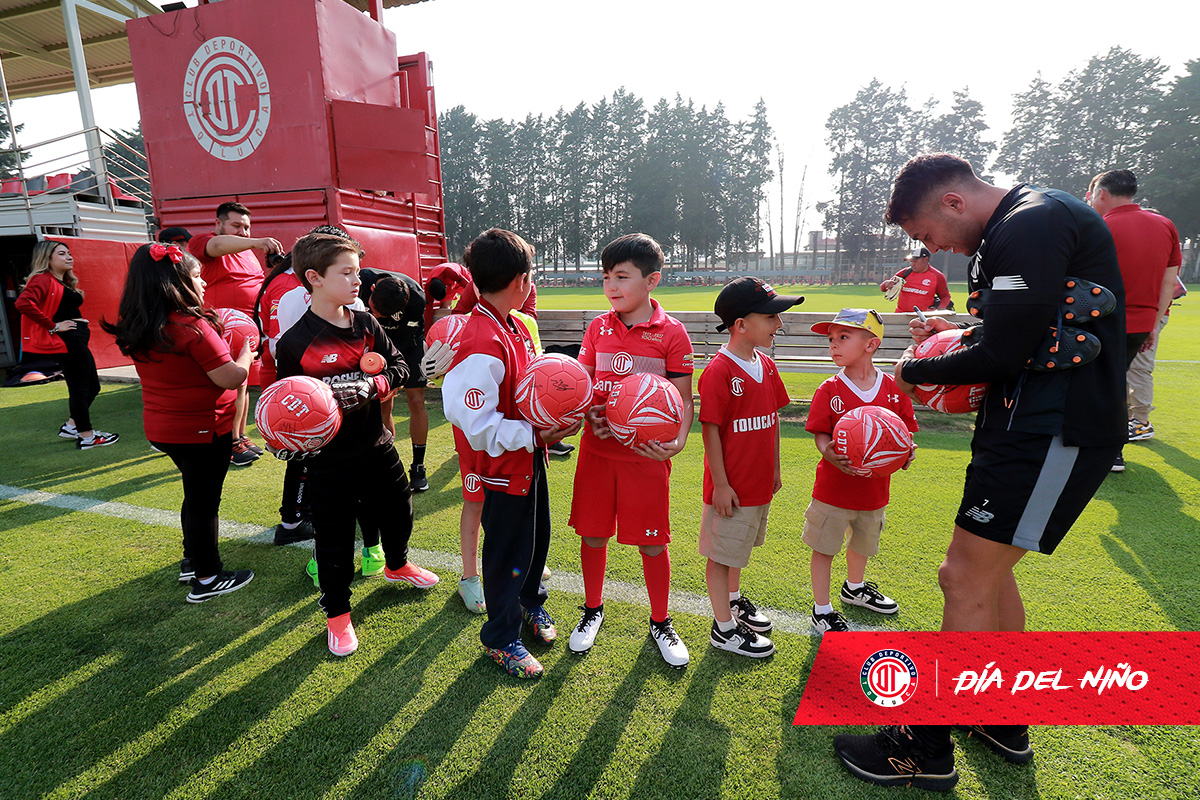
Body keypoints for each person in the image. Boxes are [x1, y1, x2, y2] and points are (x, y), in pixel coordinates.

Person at [832, 154, 1125, 791]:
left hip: (1049, 428)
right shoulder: (1023, 225)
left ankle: (924, 746)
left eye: (927, 233)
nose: (930, 248)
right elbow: (1020, 329)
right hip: (1026, 424)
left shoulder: (1032, 220)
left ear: (954, 202)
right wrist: (965, 329)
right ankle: (999, 713)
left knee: (962, 576)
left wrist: (906, 371)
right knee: (988, 578)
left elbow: (1002, 352)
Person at [274, 233, 438, 657]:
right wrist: (286, 439)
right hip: (329, 460)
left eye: (357, 271)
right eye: (346, 273)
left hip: (376, 445)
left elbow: (402, 366)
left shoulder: (366, 323)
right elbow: (285, 403)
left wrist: (372, 385)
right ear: (314, 278)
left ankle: (397, 564)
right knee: (333, 539)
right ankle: (338, 616)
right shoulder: (294, 344)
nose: (357, 280)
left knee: (399, 511)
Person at [441, 229, 579, 678]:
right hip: (502, 467)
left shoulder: (516, 324)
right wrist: (537, 435)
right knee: (504, 554)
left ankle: (529, 604)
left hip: (528, 459)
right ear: (521, 280)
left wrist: (556, 412)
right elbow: (477, 426)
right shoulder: (481, 339)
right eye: (532, 277)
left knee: (536, 540)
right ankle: (500, 639)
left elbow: (532, 389)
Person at [566, 233, 696, 668]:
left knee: (653, 544)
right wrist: (589, 415)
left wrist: (677, 441)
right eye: (606, 277)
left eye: (622, 276)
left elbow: (683, 399)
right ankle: (592, 610)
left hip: (646, 458)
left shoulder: (672, 333)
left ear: (651, 280)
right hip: (598, 454)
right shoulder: (597, 327)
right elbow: (582, 386)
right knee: (593, 533)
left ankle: (661, 621)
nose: (612, 286)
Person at [102, 243, 255, 601]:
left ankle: (193, 561)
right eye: (197, 277)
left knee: (195, 496)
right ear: (175, 283)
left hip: (165, 429)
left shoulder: (139, 323)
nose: (203, 284)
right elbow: (230, 378)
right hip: (202, 429)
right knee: (204, 503)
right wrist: (246, 352)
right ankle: (207, 577)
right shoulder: (192, 327)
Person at [699, 277, 801, 658]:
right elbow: (710, 430)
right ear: (741, 324)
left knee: (738, 552)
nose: (779, 324)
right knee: (721, 555)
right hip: (732, 488)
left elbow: (771, 421)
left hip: (758, 484)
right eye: (771, 316)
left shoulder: (767, 365)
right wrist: (721, 485)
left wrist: (774, 468)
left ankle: (734, 601)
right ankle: (723, 628)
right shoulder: (719, 371)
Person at [804, 308, 917, 634]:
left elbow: (905, 432)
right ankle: (822, 609)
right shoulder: (830, 389)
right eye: (830, 340)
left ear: (871, 345)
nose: (834, 345)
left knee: (862, 545)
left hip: (874, 492)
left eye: (843, 337)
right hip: (833, 491)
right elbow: (820, 432)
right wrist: (827, 450)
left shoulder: (893, 389)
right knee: (824, 548)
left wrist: (906, 453)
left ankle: (854, 588)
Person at [1086, 169, 1182, 470]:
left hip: (1105, 321)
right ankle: (1110, 448)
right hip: (1144, 323)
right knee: (1116, 383)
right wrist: (1154, 324)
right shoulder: (1165, 224)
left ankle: (1107, 450)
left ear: (1101, 193)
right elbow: (1170, 282)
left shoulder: (1099, 227)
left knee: (1099, 386)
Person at [187, 201, 283, 466]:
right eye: (236, 225)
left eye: (247, 227)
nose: (243, 232)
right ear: (219, 224)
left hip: (247, 332)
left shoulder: (248, 251)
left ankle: (238, 436)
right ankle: (226, 441)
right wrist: (255, 242)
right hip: (220, 330)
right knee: (226, 386)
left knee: (242, 384)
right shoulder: (203, 242)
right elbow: (215, 247)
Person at [16, 240, 117, 450]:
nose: (69, 257)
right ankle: (87, 436)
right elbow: (23, 303)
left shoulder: (60, 281)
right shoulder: (43, 279)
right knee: (80, 389)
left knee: (92, 387)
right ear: (48, 258)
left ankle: (72, 427)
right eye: (62, 254)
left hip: (75, 339)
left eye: (69, 253)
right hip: (67, 342)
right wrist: (52, 326)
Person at [358, 267, 431, 491]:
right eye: (374, 310)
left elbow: (405, 340)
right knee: (383, 405)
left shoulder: (417, 298)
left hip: (407, 345)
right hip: (374, 345)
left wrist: (394, 375)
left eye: (382, 314)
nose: (377, 315)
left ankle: (418, 466)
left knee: (416, 400)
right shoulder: (361, 280)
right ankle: (389, 465)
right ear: (371, 290)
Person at [879, 246, 952, 313]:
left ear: (926, 260)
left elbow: (945, 296)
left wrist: (940, 310)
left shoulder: (937, 276)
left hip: (923, 317)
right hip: (901, 315)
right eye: (911, 261)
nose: (912, 264)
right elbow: (883, 288)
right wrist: (886, 283)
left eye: (915, 261)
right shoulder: (905, 273)